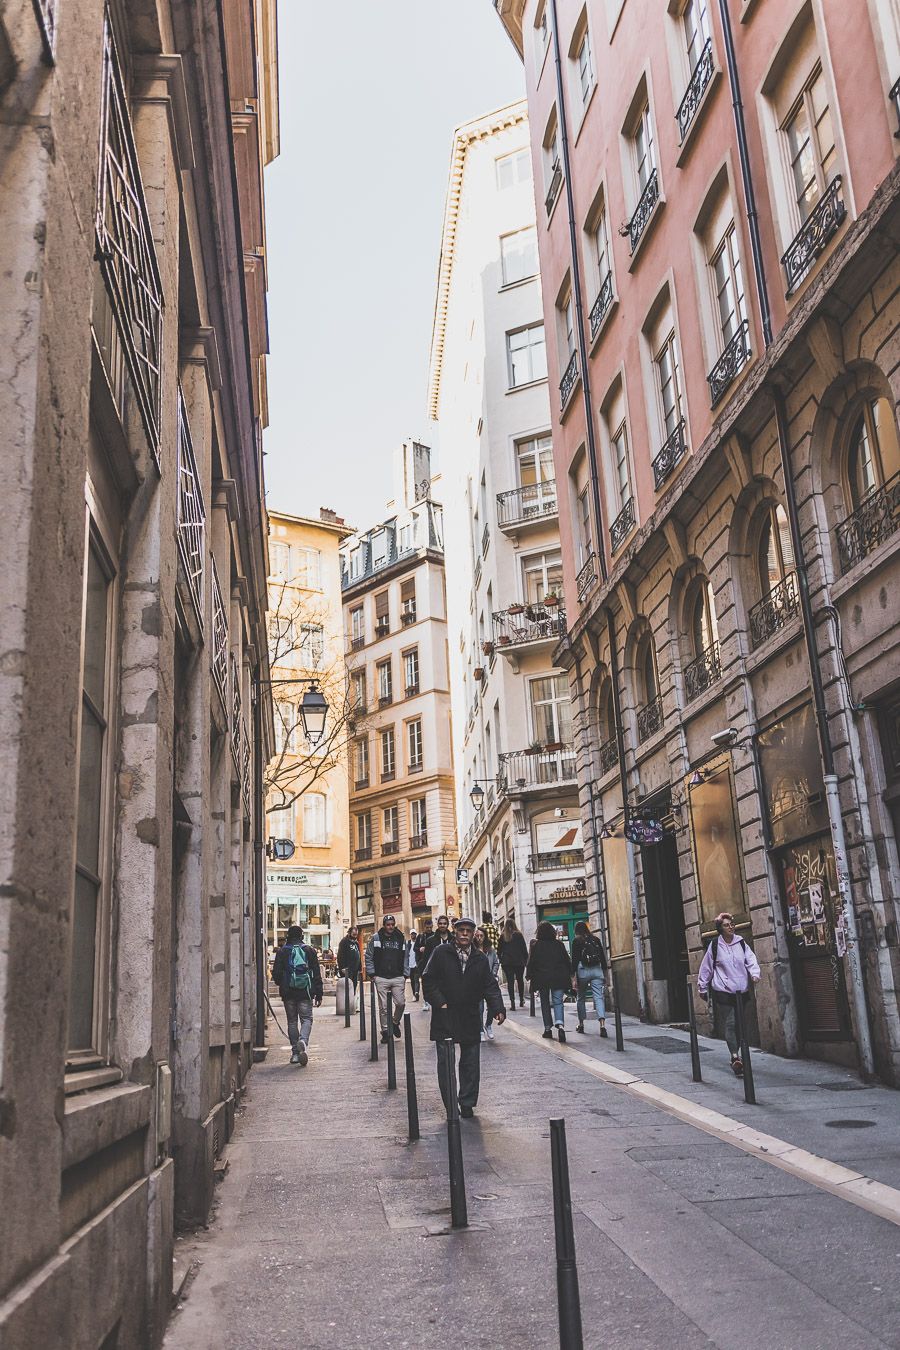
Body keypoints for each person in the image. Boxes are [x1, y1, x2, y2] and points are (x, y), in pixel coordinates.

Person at [422, 916, 505, 1119]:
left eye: (469, 930)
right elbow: (428, 978)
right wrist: (440, 1002)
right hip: (445, 1014)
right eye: (461, 930)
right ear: (455, 932)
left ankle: (467, 1102)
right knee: (446, 1062)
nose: (465, 934)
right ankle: (451, 1105)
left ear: (474, 933)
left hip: (469, 1014)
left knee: (470, 1062)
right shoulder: (442, 952)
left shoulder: (479, 958)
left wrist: (497, 1007)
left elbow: (489, 985)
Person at [697, 912, 761, 1076]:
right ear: (720, 928)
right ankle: (734, 1057)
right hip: (723, 990)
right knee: (731, 1023)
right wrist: (702, 987)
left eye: (731, 924)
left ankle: (737, 1053)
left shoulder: (741, 943)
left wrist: (755, 973)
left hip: (741, 990)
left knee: (740, 1023)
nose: (731, 927)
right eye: (726, 925)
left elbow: (751, 959)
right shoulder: (715, 946)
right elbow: (706, 968)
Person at [271, 924, 323, 1066]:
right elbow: (316, 973)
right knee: (306, 1019)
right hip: (305, 991)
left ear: (288, 936)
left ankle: (295, 1053)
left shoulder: (282, 952)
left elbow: (275, 973)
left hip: (288, 992)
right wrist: (319, 993)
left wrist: (283, 982)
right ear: (301, 936)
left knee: (292, 1021)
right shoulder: (309, 950)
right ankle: (303, 1041)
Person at [364, 913, 409, 1042]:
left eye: (392, 925)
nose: (390, 927)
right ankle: (385, 1032)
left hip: (397, 976)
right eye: (388, 925)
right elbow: (369, 956)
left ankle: (394, 1023)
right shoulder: (376, 938)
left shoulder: (400, 938)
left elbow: (405, 956)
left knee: (400, 1003)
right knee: (383, 1007)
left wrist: (405, 974)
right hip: (381, 977)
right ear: (384, 925)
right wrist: (372, 974)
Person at [526, 922, 572, 1043]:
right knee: (558, 1002)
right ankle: (560, 1025)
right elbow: (567, 960)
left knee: (545, 1003)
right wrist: (571, 974)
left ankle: (548, 1029)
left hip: (542, 978)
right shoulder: (559, 944)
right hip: (558, 977)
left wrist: (529, 975)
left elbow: (531, 961)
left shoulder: (536, 945)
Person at [571, 920, 608, 1037]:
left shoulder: (576, 941)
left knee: (581, 997)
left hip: (583, 971)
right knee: (598, 997)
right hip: (597, 970)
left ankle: (581, 1024)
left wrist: (573, 978)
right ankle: (602, 1024)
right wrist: (605, 975)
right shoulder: (595, 940)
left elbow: (575, 960)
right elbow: (602, 958)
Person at [474, 926, 501, 1040]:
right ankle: (480, 1030)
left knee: (492, 1007)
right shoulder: (472, 949)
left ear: (485, 937)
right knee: (479, 1007)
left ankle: (488, 1025)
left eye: (481, 936)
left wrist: (493, 974)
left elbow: (496, 962)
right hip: (477, 983)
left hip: (489, 981)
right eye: (477, 936)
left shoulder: (490, 949)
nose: (479, 938)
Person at [497, 918, 529, 1010]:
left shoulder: (503, 936)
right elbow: (524, 949)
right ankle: (521, 1000)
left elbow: (499, 951)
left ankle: (512, 1003)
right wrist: (526, 961)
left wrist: (501, 960)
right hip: (519, 962)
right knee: (520, 981)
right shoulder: (519, 935)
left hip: (507, 963)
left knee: (510, 982)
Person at [413, 920, 434, 1010]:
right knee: (425, 983)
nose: (429, 929)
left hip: (434, 963)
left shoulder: (434, 936)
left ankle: (433, 1000)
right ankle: (426, 1001)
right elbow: (415, 948)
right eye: (427, 927)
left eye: (430, 927)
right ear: (424, 927)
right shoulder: (421, 936)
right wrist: (420, 949)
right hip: (423, 963)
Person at [336, 926, 361, 991]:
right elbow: (340, 956)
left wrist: (360, 967)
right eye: (353, 934)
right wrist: (342, 968)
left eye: (356, 935)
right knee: (347, 987)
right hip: (347, 969)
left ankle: (352, 999)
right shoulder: (344, 941)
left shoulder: (356, 942)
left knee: (354, 986)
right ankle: (347, 1000)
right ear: (349, 933)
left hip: (355, 969)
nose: (355, 936)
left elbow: (358, 954)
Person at [407, 930, 421, 1002]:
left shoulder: (418, 943)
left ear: (416, 934)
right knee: (412, 980)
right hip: (410, 965)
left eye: (414, 934)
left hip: (417, 964)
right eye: (412, 934)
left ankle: (416, 993)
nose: (413, 935)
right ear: (410, 935)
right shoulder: (408, 943)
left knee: (416, 980)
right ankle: (414, 994)